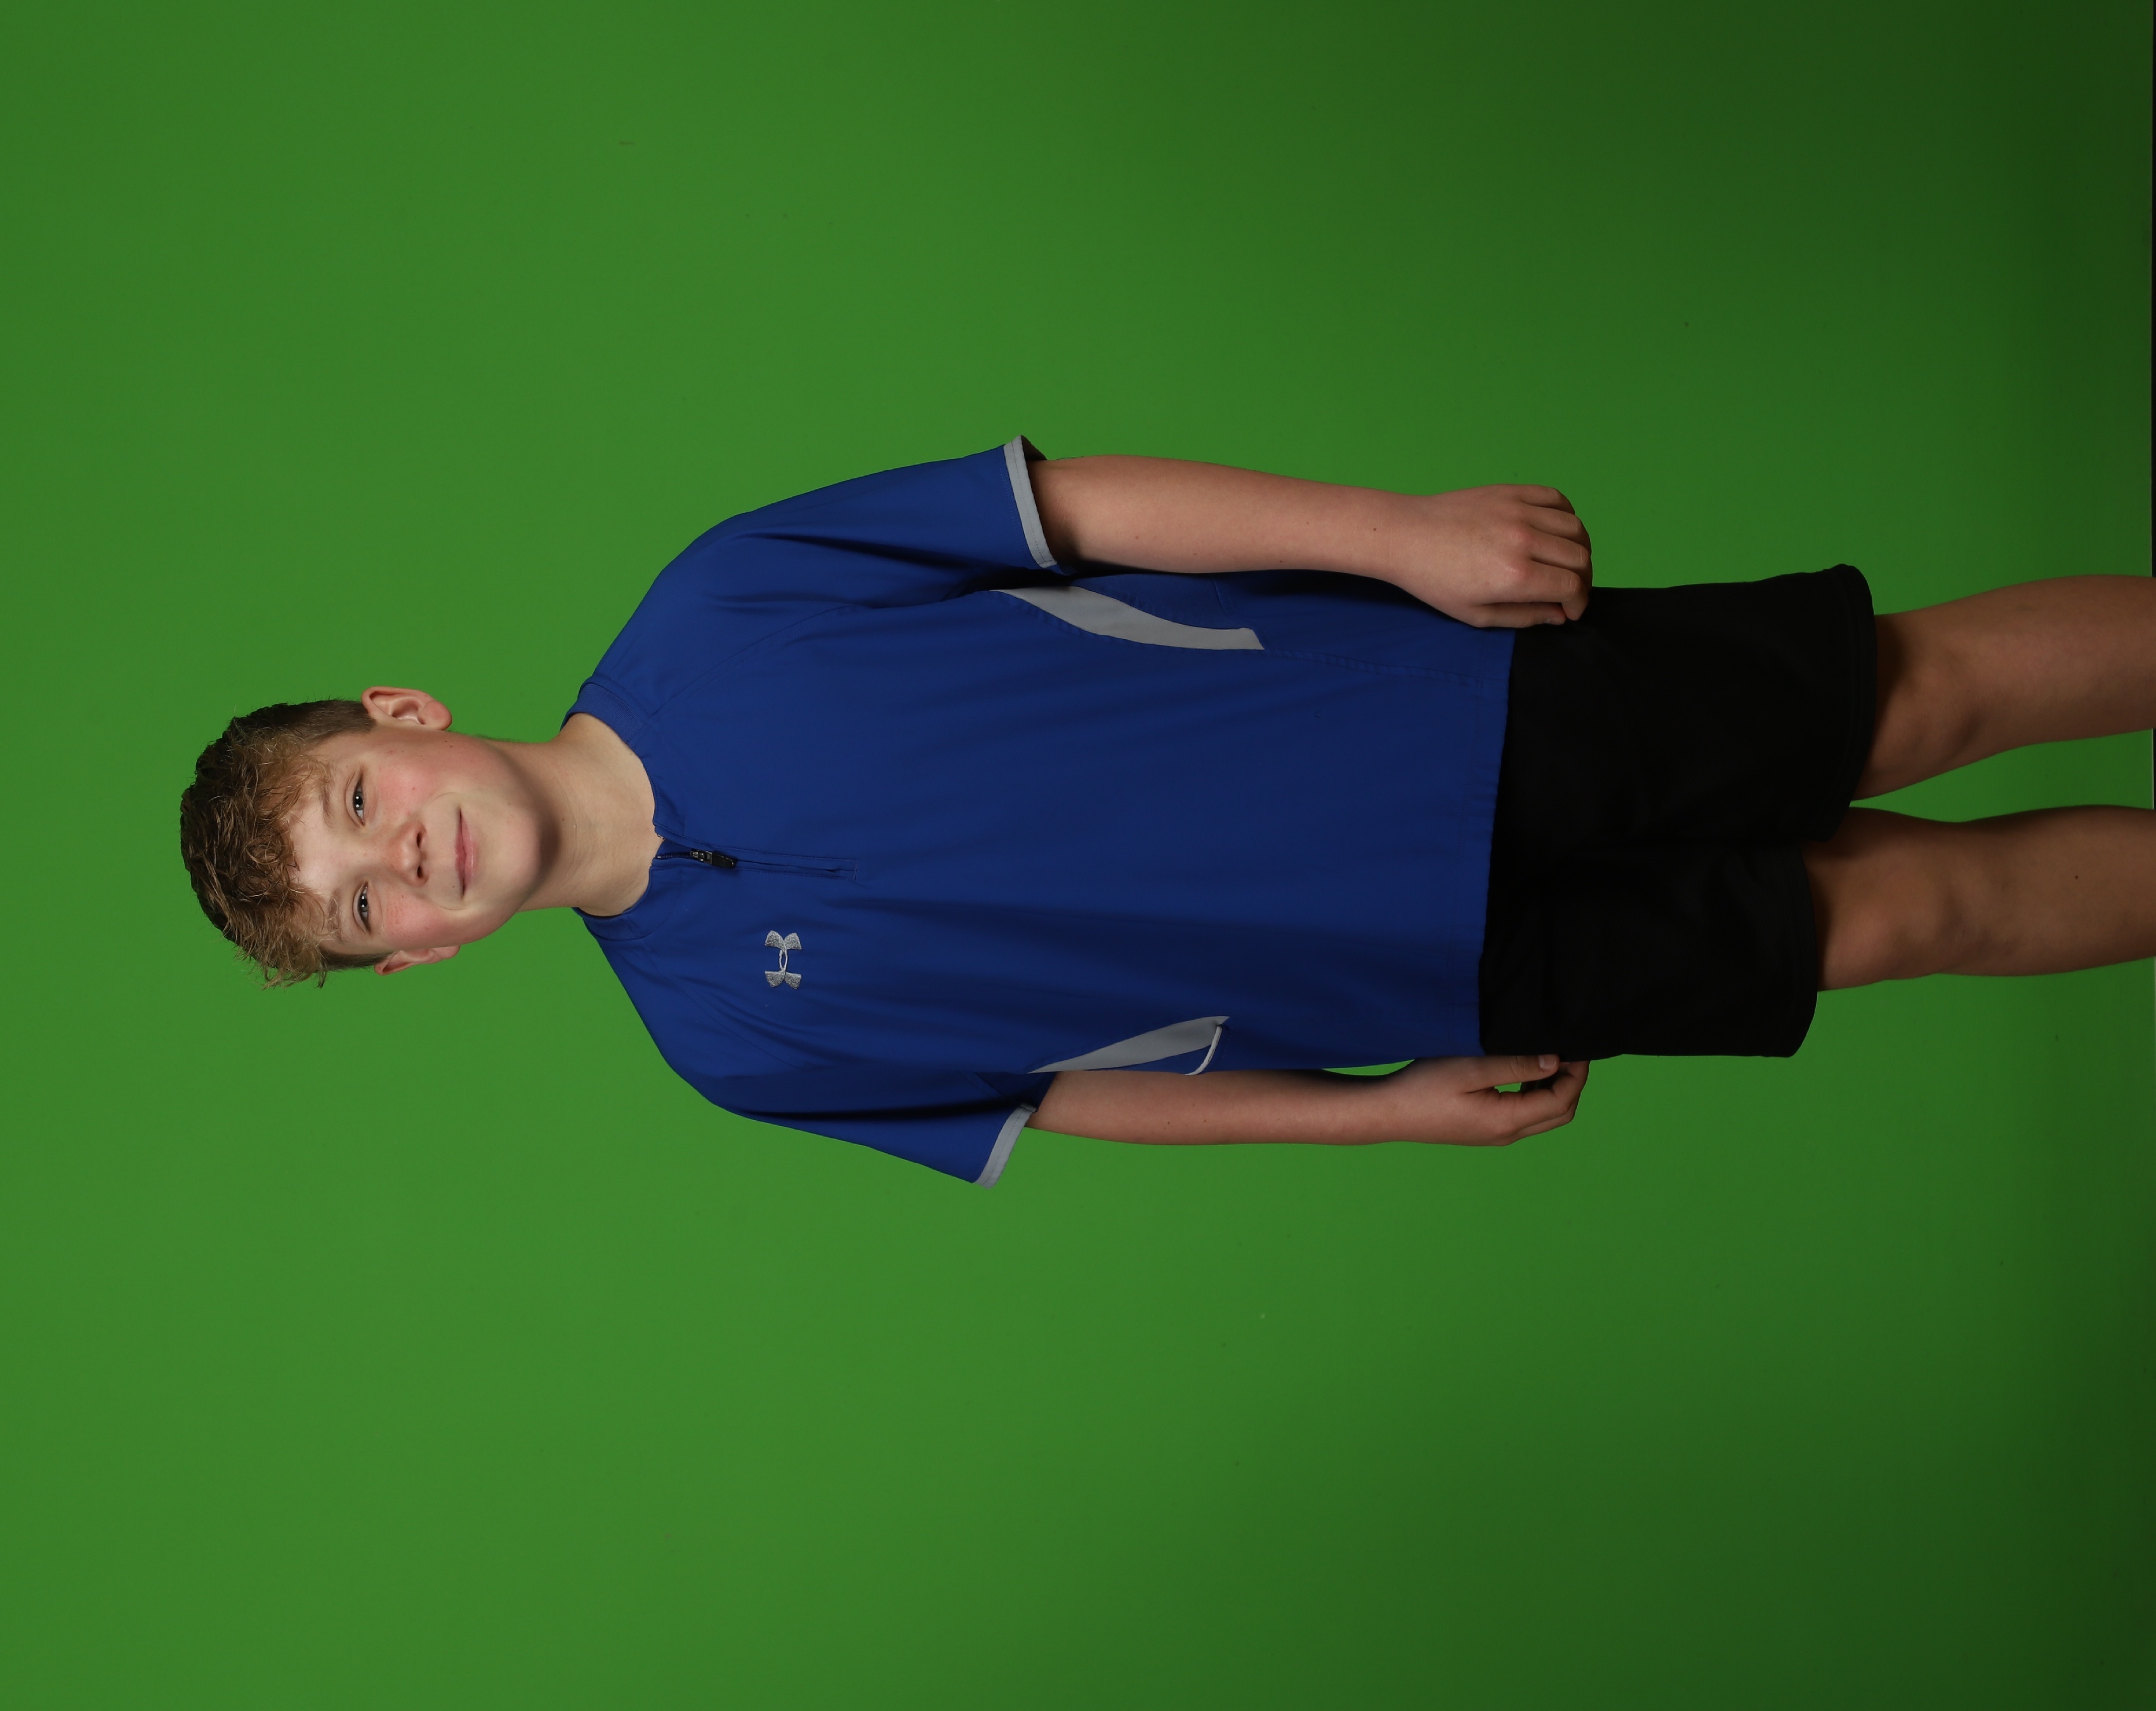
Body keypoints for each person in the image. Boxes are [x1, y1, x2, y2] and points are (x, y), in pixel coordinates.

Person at [178, 440, 2156, 1185]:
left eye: (359, 799)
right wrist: (1372, 1112)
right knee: (1904, 921)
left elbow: (1070, 512)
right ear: (416, 957)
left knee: (1911, 699)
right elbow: (1068, 1099)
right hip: (1423, 968)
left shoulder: (722, 597)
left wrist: (1394, 536)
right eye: (361, 906)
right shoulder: (728, 1047)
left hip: (1440, 705)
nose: (396, 855)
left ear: (405, 716)